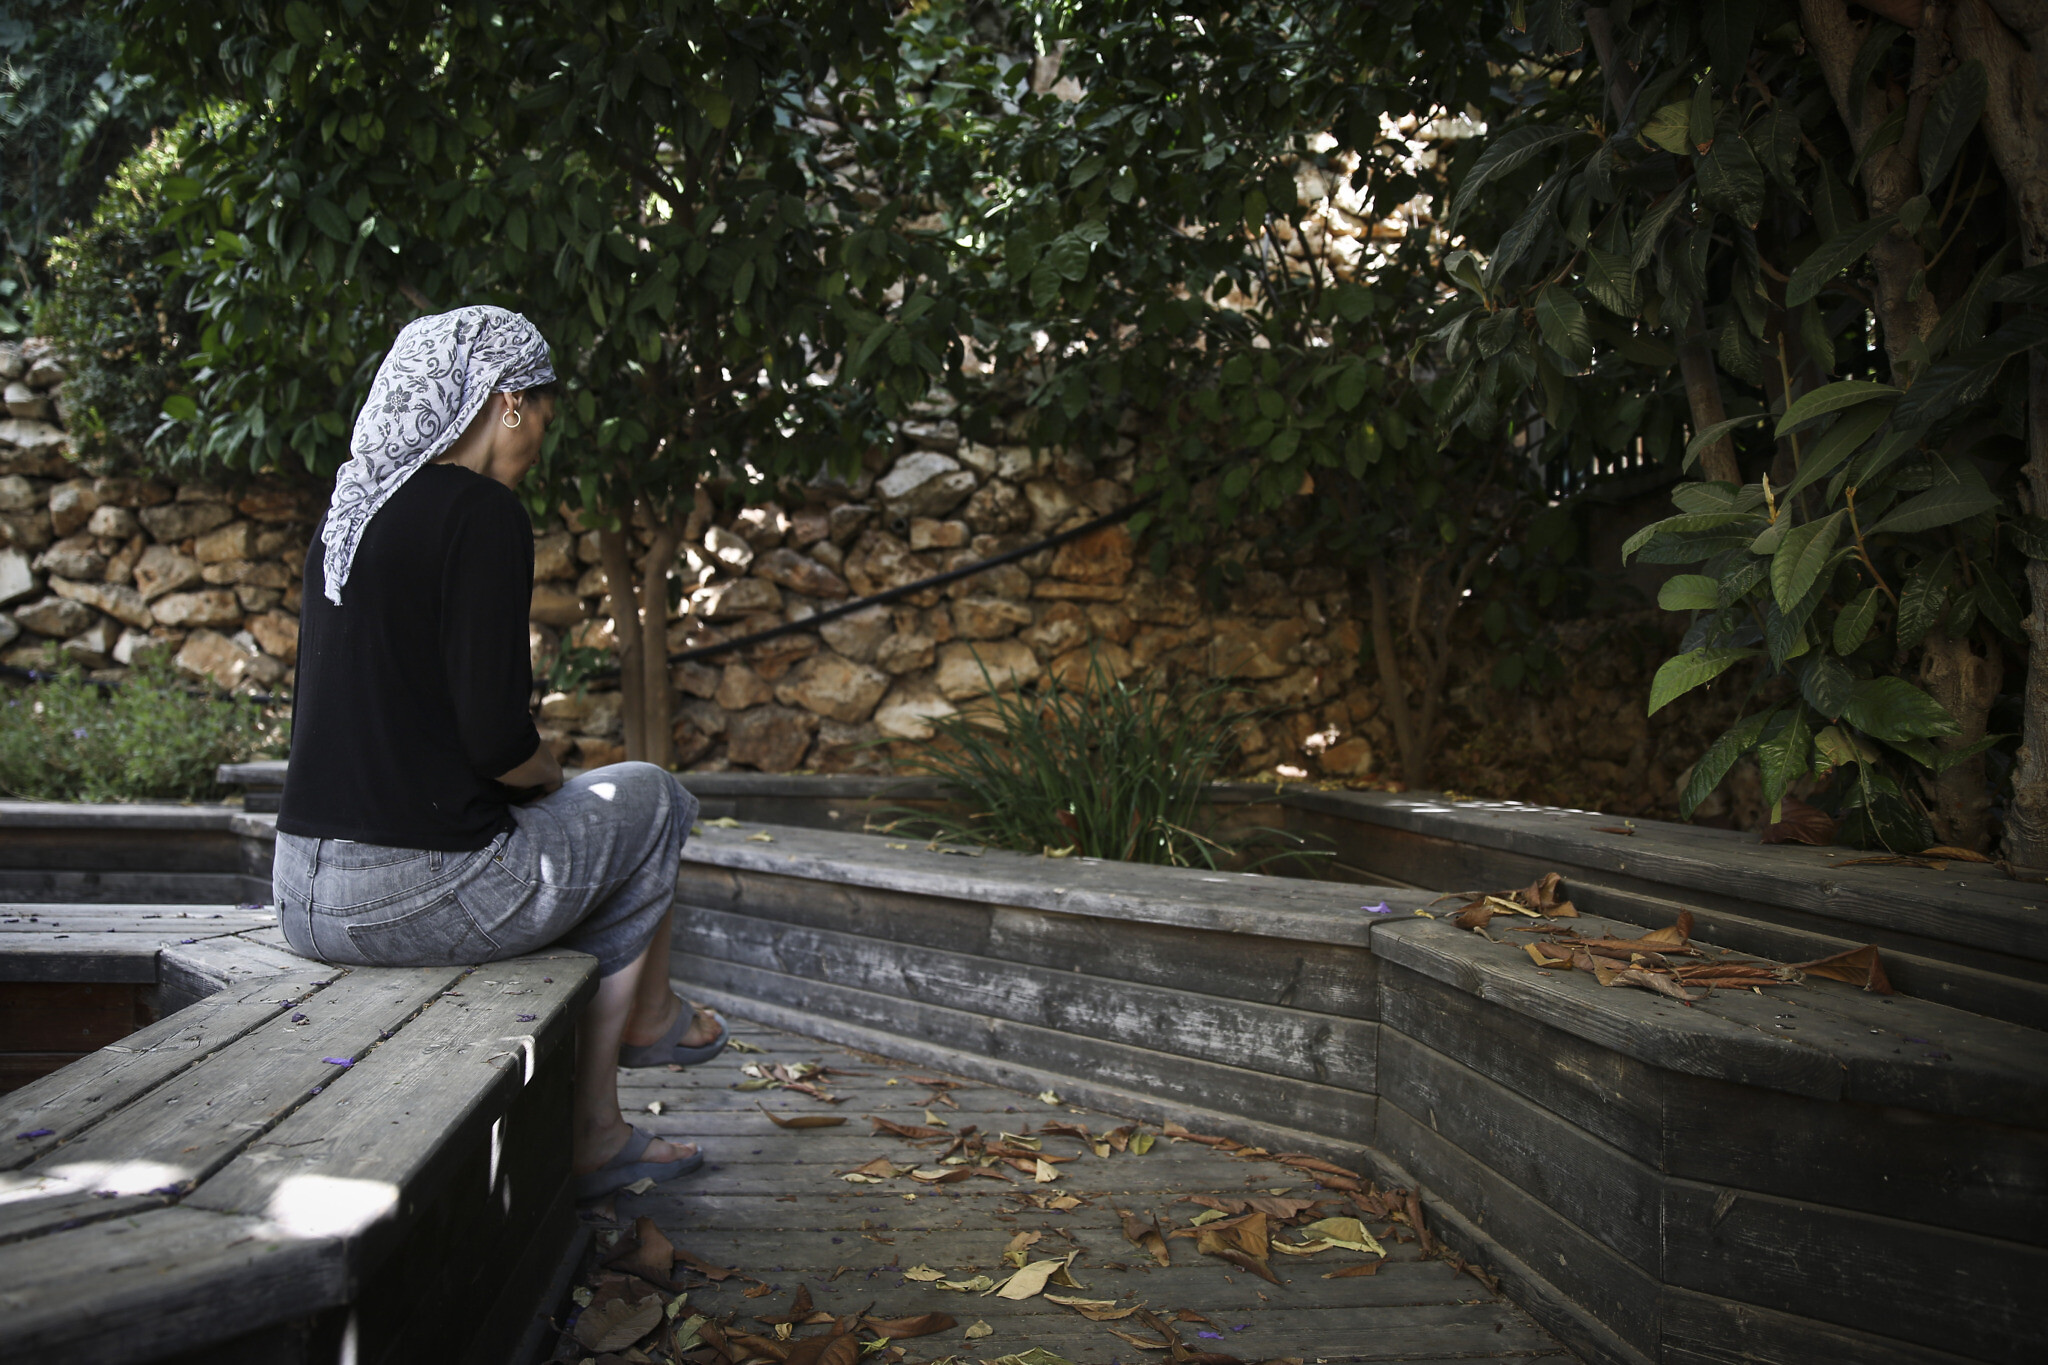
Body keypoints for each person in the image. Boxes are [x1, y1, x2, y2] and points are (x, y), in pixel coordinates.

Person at [270, 305, 721, 1199]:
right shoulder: (480, 511)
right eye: (546, 414)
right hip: (408, 896)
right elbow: (496, 739)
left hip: (299, 891)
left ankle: (610, 1099)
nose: (544, 438)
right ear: (509, 401)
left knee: (596, 828)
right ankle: (643, 1036)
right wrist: (551, 775)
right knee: (654, 797)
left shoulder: (352, 508)